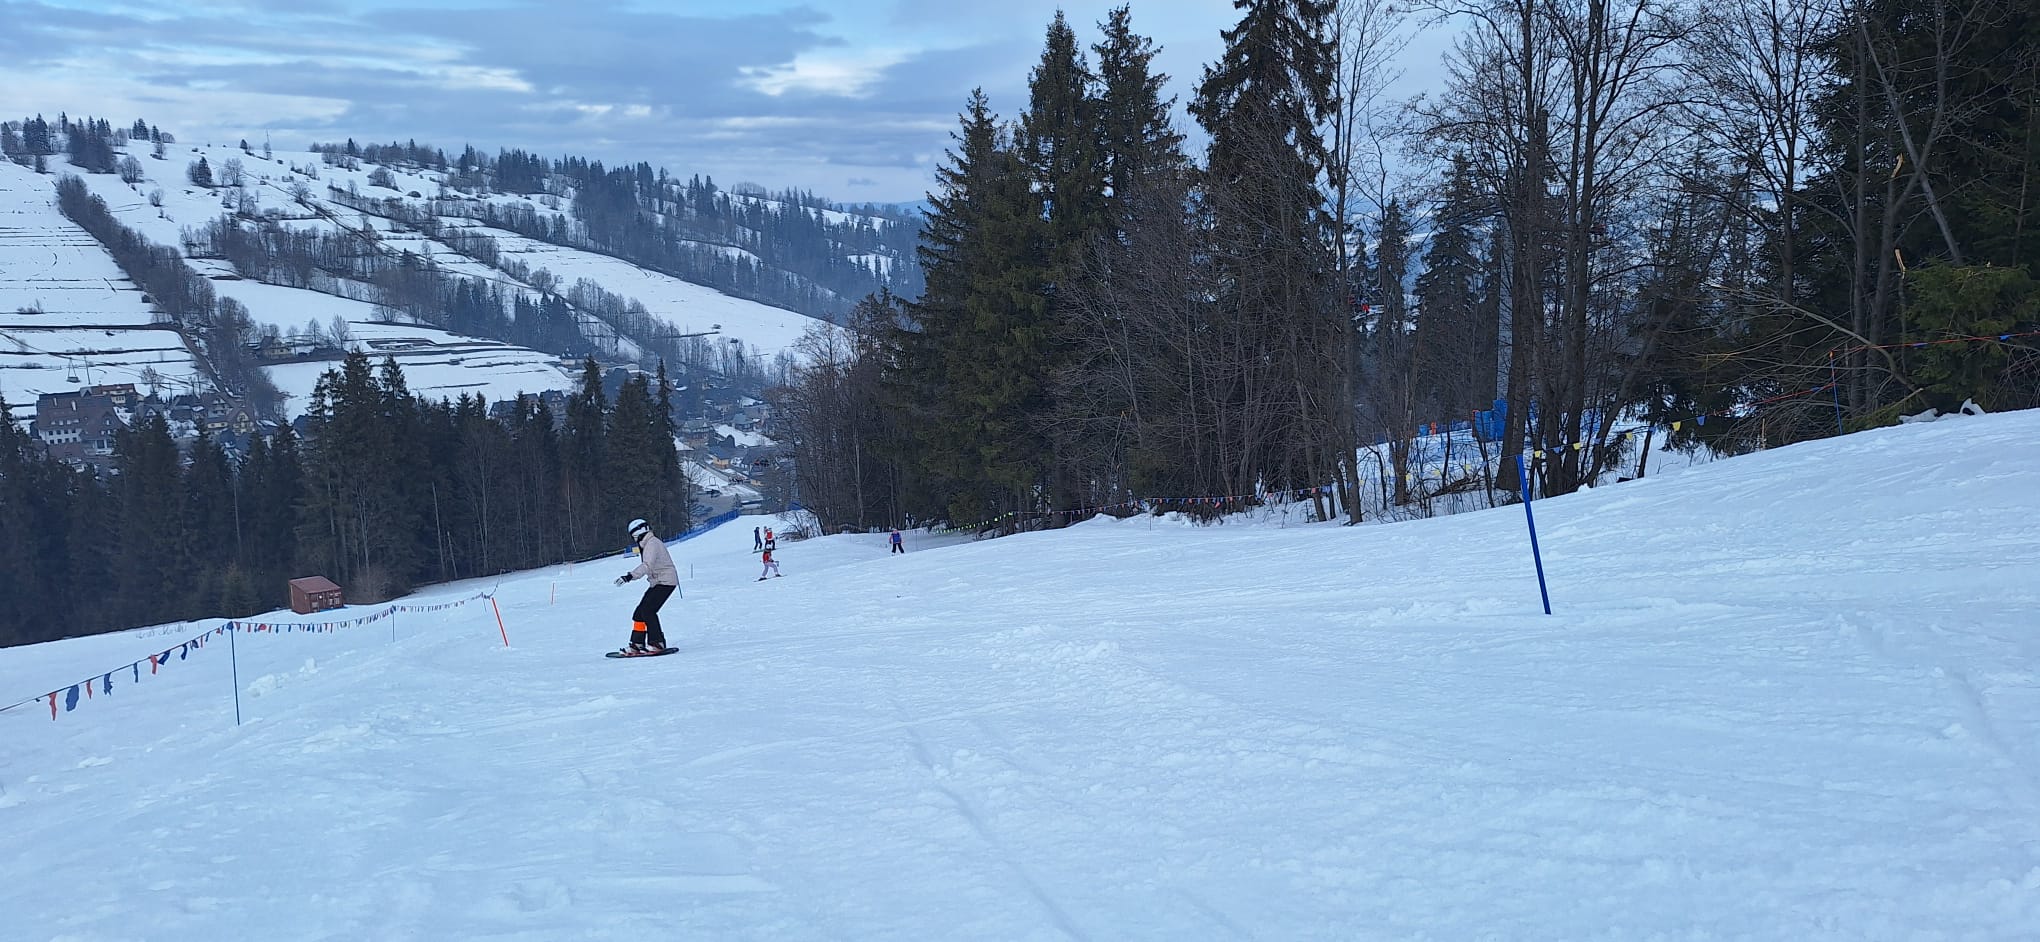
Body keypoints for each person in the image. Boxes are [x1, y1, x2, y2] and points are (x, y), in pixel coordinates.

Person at [613, 517, 678, 655]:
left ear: (638, 533)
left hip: (666, 581)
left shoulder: (652, 543)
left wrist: (630, 576)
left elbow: (647, 565)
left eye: (633, 535)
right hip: (658, 582)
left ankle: (657, 643)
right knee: (639, 613)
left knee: (648, 610)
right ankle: (637, 644)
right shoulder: (647, 544)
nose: (633, 539)